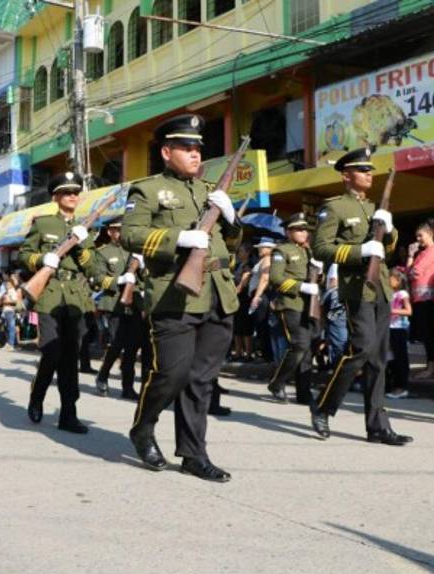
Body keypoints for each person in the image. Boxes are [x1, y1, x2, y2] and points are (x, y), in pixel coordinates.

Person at [121, 114, 241, 481]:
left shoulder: (210, 191)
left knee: (201, 380)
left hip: (218, 293)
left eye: (198, 148)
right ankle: (143, 427)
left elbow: (230, 244)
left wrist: (233, 218)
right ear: (166, 151)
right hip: (174, 296)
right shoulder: (148, 190)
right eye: (186, 148)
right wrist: (180, 239)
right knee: (171, 373)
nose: (195, 154)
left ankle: (193, 454)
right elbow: (130, 235)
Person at [309, 148, 413, 445]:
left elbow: (388, 251)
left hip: (381, 288)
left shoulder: (372, 208)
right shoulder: (336, 208)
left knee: (378, 359)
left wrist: (390, 232)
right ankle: (324, 405)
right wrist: (359, 252)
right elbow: (321, 249)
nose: (369, 173)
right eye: (362, 169)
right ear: (346, 176)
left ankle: (377, 426)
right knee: (362, 348)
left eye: (370, 169)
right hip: (356, 288)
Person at [19, 172, 96, 434]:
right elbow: (25, 255)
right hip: (49, 293)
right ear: (55, 197)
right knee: (52, 352)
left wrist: (80, 246)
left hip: (75, 296)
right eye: (66, 192)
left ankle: (68, 413)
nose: (73, 196)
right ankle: (37, 395)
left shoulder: (86, 228)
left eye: (76, 192)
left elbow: (92, 266)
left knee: (70, 357)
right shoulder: (43, 224)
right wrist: (43, 260)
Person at [266, 213, 321, 405]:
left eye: (305, 229)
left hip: (309, 306)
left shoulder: (309, 251)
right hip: (290, 304)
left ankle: (303, 393)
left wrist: (318, 272)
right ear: (288, 232)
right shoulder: (281, 251)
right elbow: (275, 279)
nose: (303, 232)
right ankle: (277, 382)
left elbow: (315, 277)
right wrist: (301, 287)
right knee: (299, 345)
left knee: (307, 351)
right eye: (298, 229)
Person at [93, 220, 143, 400]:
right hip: (114, 304)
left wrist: (142, 267)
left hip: (135, 304)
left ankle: (127, 387)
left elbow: (144, 278)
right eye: (117, 230)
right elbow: (98, 277)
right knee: (117, 345)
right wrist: (119, 280)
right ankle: (103, 375)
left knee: (132, 348)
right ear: (109, 232)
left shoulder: (136, 250)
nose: (121, 233)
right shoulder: (103, 253)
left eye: (123, 229)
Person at [406, 221, 434, 379]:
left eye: (421, 235)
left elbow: (414, 272)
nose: (418, 239)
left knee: (429, 334)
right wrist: (410, 255)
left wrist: (411, 267)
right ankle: (429, 366)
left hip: (428, 297)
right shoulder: (421, 253)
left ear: (430, 234)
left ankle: (431, 367)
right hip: (418, 298)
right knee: (424, 333)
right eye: (417, 236)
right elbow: (408, 272)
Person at [386, 268, 411, 399]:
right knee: (390, 358)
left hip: (399, 329)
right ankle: (392, 385)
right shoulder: (390, 293)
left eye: (390, 278)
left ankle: (402, 386)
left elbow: (408, 311)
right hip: (390, 328)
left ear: (397, 280)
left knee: (400, 358)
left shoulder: (402, 294)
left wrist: (392, 310)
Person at [321, 264, 348, 365]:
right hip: (339, 302)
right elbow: (334, 284)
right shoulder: (336, 264)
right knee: (340, 342)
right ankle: (338, 371)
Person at [0, 272, 23, 350]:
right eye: (6, 284)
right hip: (6, 311)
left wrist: (6, 302)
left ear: (12, 284)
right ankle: (8, 343)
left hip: (10, 311)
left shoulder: (12, 291)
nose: (7, 286)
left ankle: (11, 344)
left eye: (8, 284)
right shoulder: (7, 291)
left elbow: (15, 301)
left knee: (11, 328)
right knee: (7, 328)